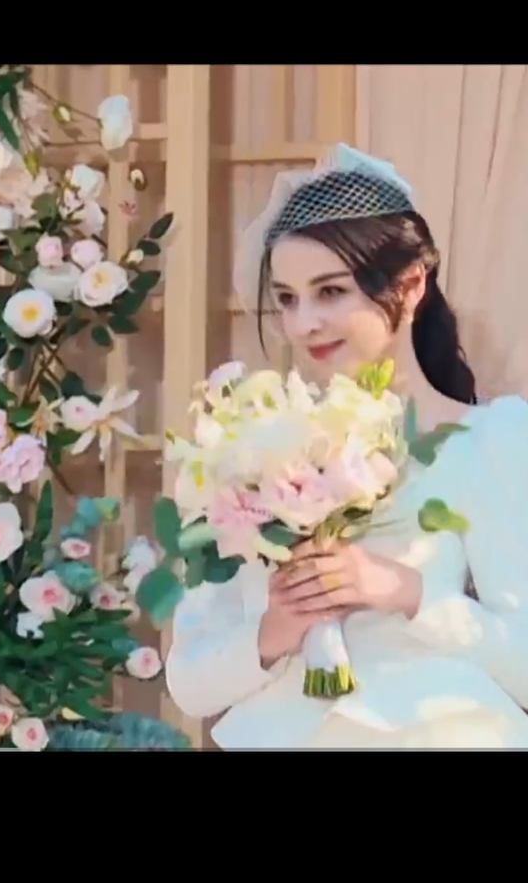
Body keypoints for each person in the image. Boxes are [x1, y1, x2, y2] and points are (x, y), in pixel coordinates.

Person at [165, 143, 528, 748]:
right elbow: (189, 681)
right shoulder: (247, 448)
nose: (303, 323)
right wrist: (275, 630)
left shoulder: (491, 440)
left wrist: (407, 592)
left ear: (411, 285)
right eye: (287, 298)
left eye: (331, 292)